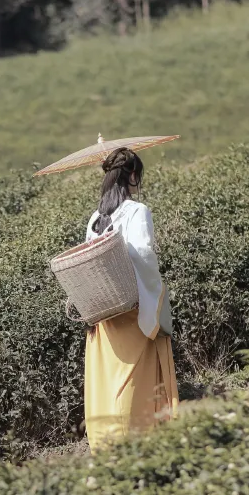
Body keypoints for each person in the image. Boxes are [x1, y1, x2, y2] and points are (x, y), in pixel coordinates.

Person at [82, 147, 178, 453]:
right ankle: (135, 447)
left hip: (104, 312)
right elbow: (142, 254)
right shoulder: (137, 211)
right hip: (132, 311)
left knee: (110, 381)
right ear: (133, 176)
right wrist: (154, 294)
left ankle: (106, 447)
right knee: (132, 382)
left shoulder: (96, 219)